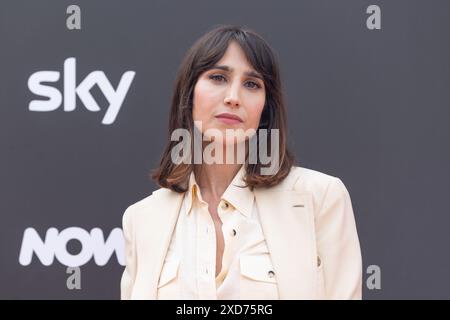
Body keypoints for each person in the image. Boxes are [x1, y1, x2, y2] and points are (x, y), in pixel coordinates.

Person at [120, 25, 362, 300]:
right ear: (189, 94)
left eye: (251, 84)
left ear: (265, 107)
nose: (233, 97)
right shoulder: (142, 218)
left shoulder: (320, 197)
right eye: (218, 77)